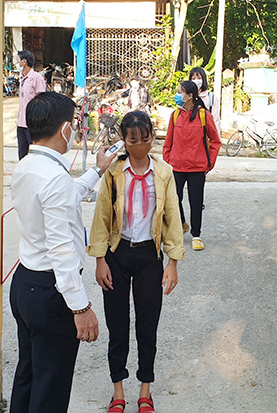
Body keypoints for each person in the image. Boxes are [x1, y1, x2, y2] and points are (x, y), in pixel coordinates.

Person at [9, 91, 116, 413]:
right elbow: (61, 250)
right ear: (65, 129)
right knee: (51, 386)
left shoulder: (28, 165)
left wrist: (97, 170)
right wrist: (81, 307)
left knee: (29, 374)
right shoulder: (53, 177)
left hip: (25, 284)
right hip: (50, 293)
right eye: (76, 124)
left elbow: (65, 196)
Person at [87, 111, 184, 413]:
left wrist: (173, 262)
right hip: (118, 256)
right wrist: (100, 259)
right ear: (123, 141)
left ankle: (145, 389)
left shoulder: (164, 173)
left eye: (146, 139)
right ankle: (118, 391)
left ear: (152, 138)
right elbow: (102, 217)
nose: (140, 146)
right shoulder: (114, 174)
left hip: (148, 258)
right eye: (133, 140)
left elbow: (172, 219)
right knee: (118, 326)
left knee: (147, 326)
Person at [163, 81, 221, 251]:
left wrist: (208, 163)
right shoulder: (174, 115)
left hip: (197, 168)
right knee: (174, 199)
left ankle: (196, 234)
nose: (177, 94)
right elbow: (169, 141)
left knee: (196, 202)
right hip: (176, 167)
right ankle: (181, 224)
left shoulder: (204, 116)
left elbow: (215, 142)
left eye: (180, 92)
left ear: (190, 96)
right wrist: (167, 159)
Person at [16, 50, 46, 160]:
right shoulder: (22, 79)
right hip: (21, 123)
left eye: (18, 61)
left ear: (24, 62)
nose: (16, 64)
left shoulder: (37, 78)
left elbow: (42, 100)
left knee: (34, 155)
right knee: (22, 156)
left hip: (32, 124)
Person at [189, 67, 221, 132]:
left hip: (205, 136)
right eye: (193, 79)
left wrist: (216, 140)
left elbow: (215, 121)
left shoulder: (211, 98)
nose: (196, 81)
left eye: (199, 78)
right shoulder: (187, 97)